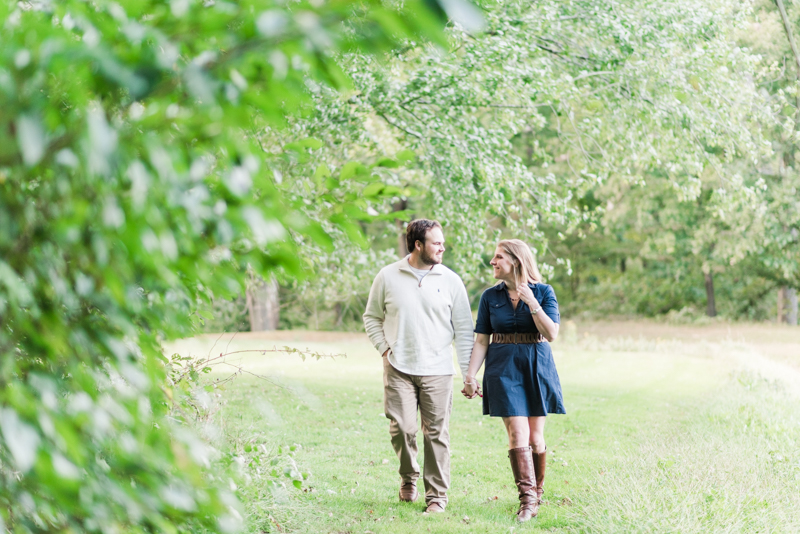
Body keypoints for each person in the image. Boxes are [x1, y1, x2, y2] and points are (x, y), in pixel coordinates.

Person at [363, 219, 474, 514]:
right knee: (402, 429)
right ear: (418, 245)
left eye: (442, 242)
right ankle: (408, 477)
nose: (442, 247)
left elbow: (464, 329)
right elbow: (371, 316)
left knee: (436, 433)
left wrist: (468, 373)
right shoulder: (388, 276)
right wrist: (384, 348)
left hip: (438, 369)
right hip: (398, 366)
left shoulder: (451, 280)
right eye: (436, 243)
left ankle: (437, 497)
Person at [461, 239, 565, 522]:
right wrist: (470, 375)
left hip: (536, 365)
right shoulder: (489, 297)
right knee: (517, 434)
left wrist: (532, 302)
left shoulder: (544, 292)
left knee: (535, 438)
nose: (492, 262)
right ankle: (527, 501)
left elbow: (552, 333)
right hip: (503, 368)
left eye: (498, 257)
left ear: (516, 261)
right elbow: (482, 340)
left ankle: (537, 491)